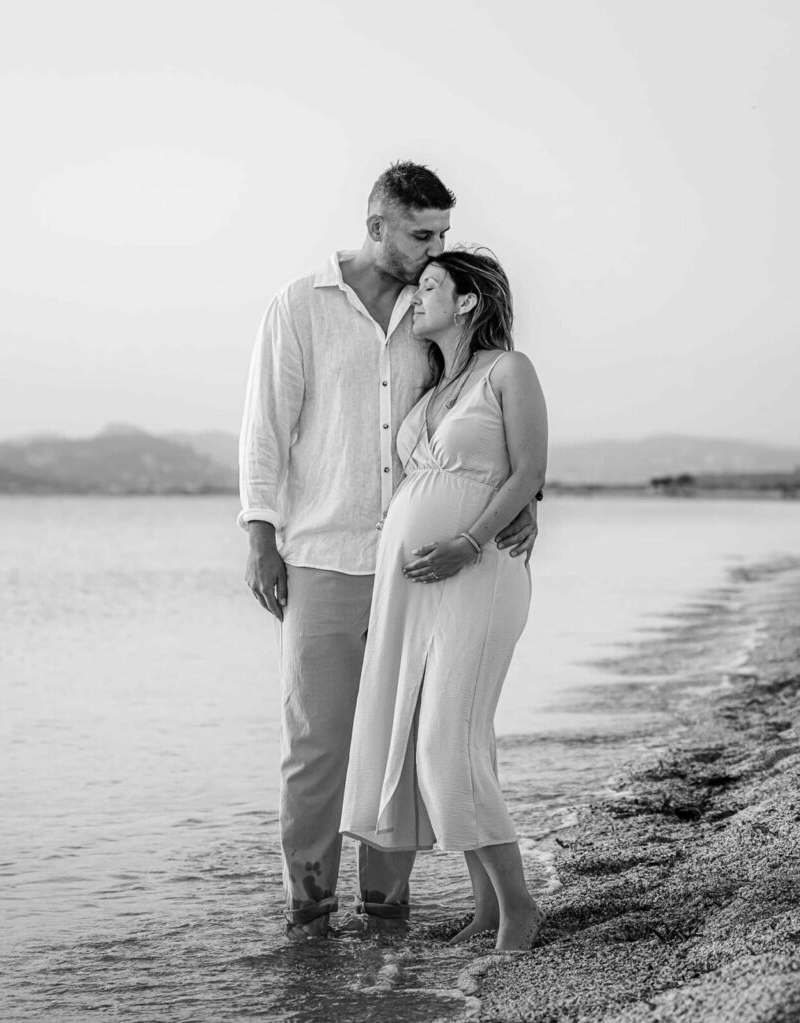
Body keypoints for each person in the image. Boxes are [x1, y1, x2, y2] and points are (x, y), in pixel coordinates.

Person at [239, 162, 537, 940]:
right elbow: (265, 428)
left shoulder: (433, 307)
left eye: (443, 232)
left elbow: (489, 414)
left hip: (416, 569)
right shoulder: (298, 306)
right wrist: (259, 534)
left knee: (400, 735)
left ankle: (386, 914)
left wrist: (526, 503)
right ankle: (309, 914)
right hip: (323, 554)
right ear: (377, 228)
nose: (437, 246)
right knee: (316, 742)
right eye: (421, 233)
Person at [340, 248, 547, 952]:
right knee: (455, 741)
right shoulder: (434, 387)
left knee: (444, 745)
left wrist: (468, 540)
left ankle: (519, 908)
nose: (417, 297)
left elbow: (528, 469)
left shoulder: (509, 370)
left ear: (467, 302)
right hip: (417, 589)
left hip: (479, 573)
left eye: (431, 286)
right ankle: (487, 908)